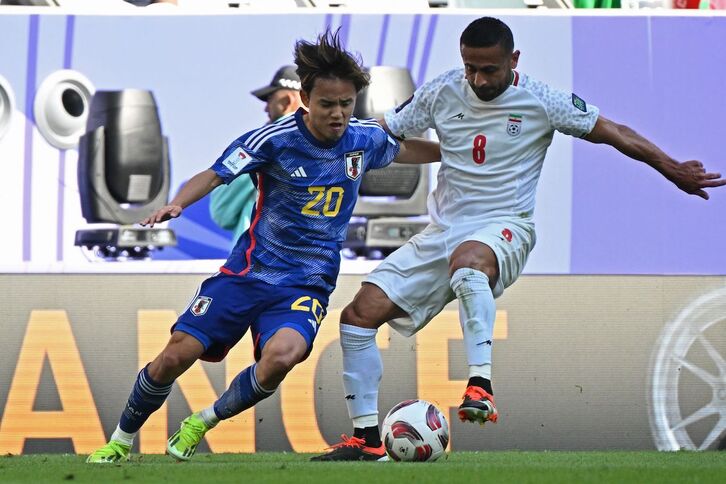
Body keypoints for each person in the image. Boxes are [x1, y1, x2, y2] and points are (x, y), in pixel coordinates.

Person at [312, 16, 726, 461]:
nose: (477, 78)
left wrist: (673, 169)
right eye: (470, 67)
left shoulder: (541, 99)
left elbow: (615, 133)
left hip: (506, 225)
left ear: (514, 60)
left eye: (488, 69)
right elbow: (387, 132)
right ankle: (367, 440)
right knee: (358, 314)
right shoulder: (442, 89)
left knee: (470, 263)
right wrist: (328, 144)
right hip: (444, 230)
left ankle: (480, 386)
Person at [85, 29, 440, 464]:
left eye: (346, 104)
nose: (338, 114)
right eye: (328, 104)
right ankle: (120, 439)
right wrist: (177, 203)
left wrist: (460, 152)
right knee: (176, 355)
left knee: (282, 357)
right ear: (306, 98)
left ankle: (202, 422)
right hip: (247, 275)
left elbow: (406, 150)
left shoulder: (363, 139)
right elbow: (216, 174)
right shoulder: (272, 140)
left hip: (305, 286)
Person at [209, 65, 304, 244]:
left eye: (269, 99)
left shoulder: (260, 143)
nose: (265, 109)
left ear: (286, 101)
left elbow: (221, 212)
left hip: (261, 259)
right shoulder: (337, 143)